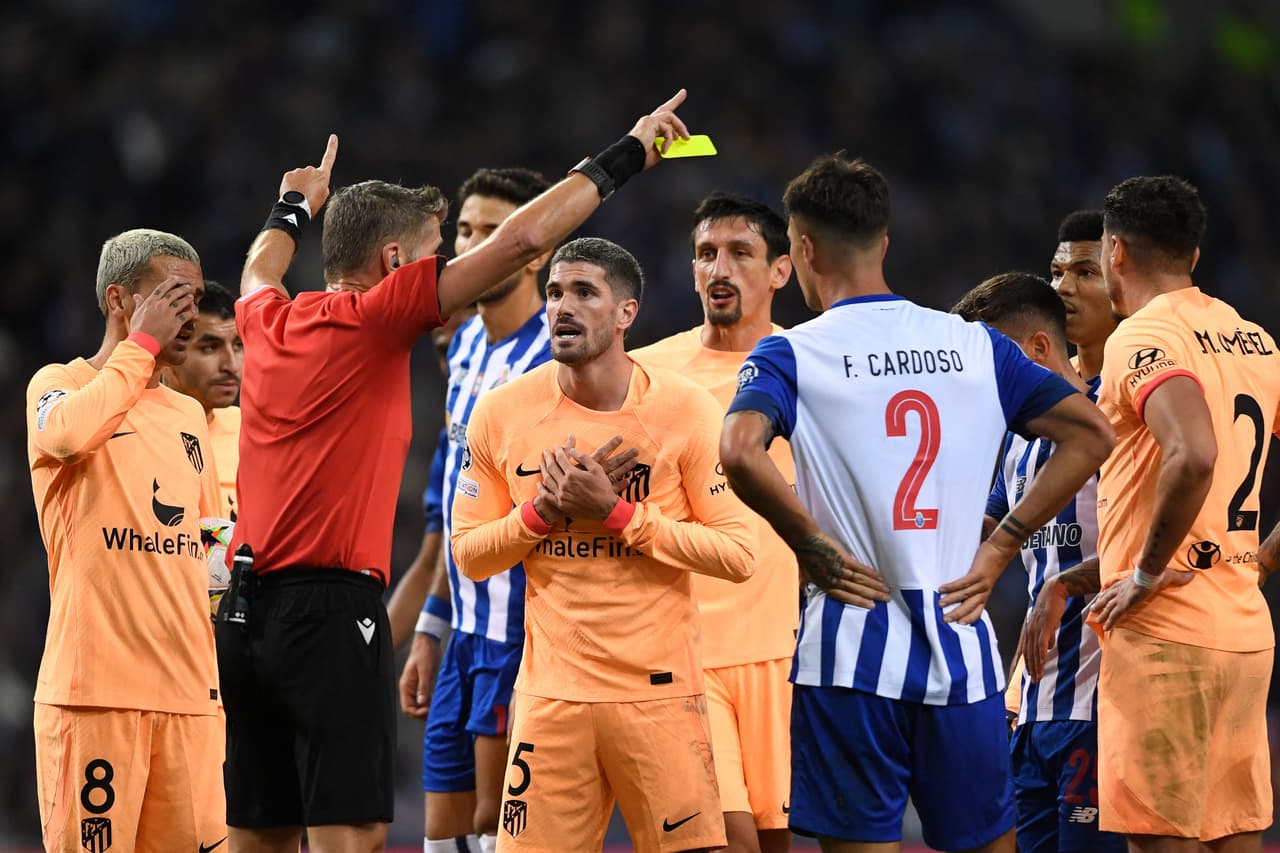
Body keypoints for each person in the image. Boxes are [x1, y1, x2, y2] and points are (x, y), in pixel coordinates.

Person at [216, 90, 695, 853]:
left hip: (244, 613)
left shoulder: (265, 316)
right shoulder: (379, 317)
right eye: (442, 246)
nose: (453, 259)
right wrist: (631, 150)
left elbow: (256, 266)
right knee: (354, 836)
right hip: (329, 615)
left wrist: (290, 206)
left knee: (259, 834)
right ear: (397, 263)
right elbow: (522, 239)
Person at [718, 154, 1115, 853]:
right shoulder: (974, 343)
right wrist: (1003, 545)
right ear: (885, 242)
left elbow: (740, 449)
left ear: (803, 250)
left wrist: (809, 543)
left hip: (849, 650)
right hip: (960, 643)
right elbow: (1091, 434)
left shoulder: (790, 353)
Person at [450, 236, 757, 853]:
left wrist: (618, 515)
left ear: (626, 313)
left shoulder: (686, 410)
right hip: (551, 699)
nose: (562, 307)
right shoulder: (503, 412)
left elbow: (739, 553)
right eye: (555, 293)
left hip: (660, 695)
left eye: (584, 293)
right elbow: (469, 554)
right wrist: (542, 513)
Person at [1084, 176, 1280, 852]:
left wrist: (1143, 572)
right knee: (1234, 836)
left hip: (1166, 634)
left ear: (1115, 251)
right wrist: (1268, 555)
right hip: (1246, 632)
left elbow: (1192, 452)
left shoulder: (1141, 338)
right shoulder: (1254, 337)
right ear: (1193, 257)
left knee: (1162, 841)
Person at [27, 229, 226, 852]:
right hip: (95, 697)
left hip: (190, 699)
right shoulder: (59, 383)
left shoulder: (190, 416)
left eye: (195, 298)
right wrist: (140, 348)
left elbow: (211, 548)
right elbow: (63, 438)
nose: (190, 313)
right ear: (121, 300)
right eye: (174, 296)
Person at [394, 166, 558, 853]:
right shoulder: (461, 346)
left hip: (519, 634)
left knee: (498, 833)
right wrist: (430, 627)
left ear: (535, 248)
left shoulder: (557, 355)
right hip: (463, 634)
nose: (473, 245)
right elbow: (455, 515)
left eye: (494, 231)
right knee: (444, 839)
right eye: (465, 230)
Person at [633, 191, 797, 853]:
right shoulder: (647, 372)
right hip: (684, 653)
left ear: (781, 270)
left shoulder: (811, 364)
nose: (718, 267)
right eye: (706, 253)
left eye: (739, 252)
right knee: (726, 842)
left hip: (784, 650)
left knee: (774, 840)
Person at [952, 273, 1124, 853]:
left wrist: (1064, 585)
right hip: (1033, 707)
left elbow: (1154, 541)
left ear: (1036, 350)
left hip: (1103, 703)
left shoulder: (1116, 423)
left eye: (990, 359)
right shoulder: (1021, 442)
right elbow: (993, 532)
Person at [386, 303, 476, 648]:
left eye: (468, 341)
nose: (458, 361)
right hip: (474, 645)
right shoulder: (452, 444)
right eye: (445, 350)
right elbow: (430, 564)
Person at [161, 279, 242, 519]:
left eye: (238, 345)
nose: (231, 365)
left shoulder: (252, 433)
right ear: (169, 352)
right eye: (210, 348)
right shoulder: (134, 432)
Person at [1049, 210, 1114, 382]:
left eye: (1085, 272)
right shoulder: (1052, 386)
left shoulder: (1151, 379)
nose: (1062, 287)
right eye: (1057, 273)